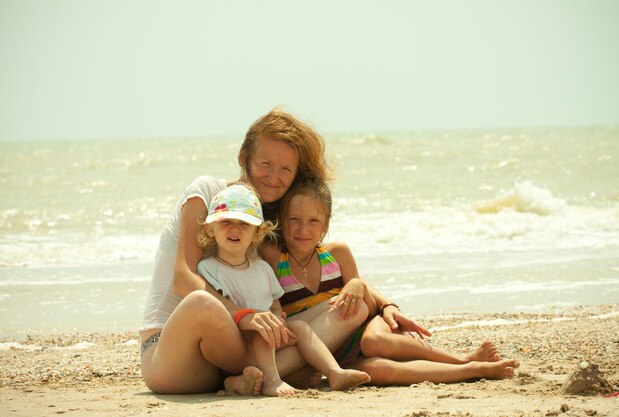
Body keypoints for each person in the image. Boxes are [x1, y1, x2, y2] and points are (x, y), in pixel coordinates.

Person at [139, 109, 369, 394]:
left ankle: (252, 379)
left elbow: (305, 267)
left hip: (237, 351)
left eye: (286, 169)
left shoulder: (266, 225)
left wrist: (374, 297)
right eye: (265, 164)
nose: (275, 176)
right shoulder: (207, 192)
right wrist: (244, 316)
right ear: (243, 159)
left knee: (353, 308)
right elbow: (183, 278)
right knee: (202, 302)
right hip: (172, 354)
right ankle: (282, 369)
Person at [260, 179, 521, 386]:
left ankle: (461, 360)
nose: (303, 228)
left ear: (325, 224)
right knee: (380, 372)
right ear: (282, 221)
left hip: (366, 328)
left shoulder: (337, 252)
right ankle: (473, 371)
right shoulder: (275, 258)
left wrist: (358, 286)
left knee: (374, 343)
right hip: (335, 353)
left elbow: (362, 291)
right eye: (294, 219)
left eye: (313, 221)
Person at [195, 183, 371, 396]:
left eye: (244, 224)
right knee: (265, 330)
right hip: (239, 338)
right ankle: (272, 380)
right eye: (226, 222)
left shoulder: (262, 267)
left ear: (257, 233)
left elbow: (274, 304)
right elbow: (215, 312)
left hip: (269, 334)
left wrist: (278, 319)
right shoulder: (208, 268)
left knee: (299, 327)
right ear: (209, 228)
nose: (235, 229)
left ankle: (334, 372)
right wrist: (252, 321)